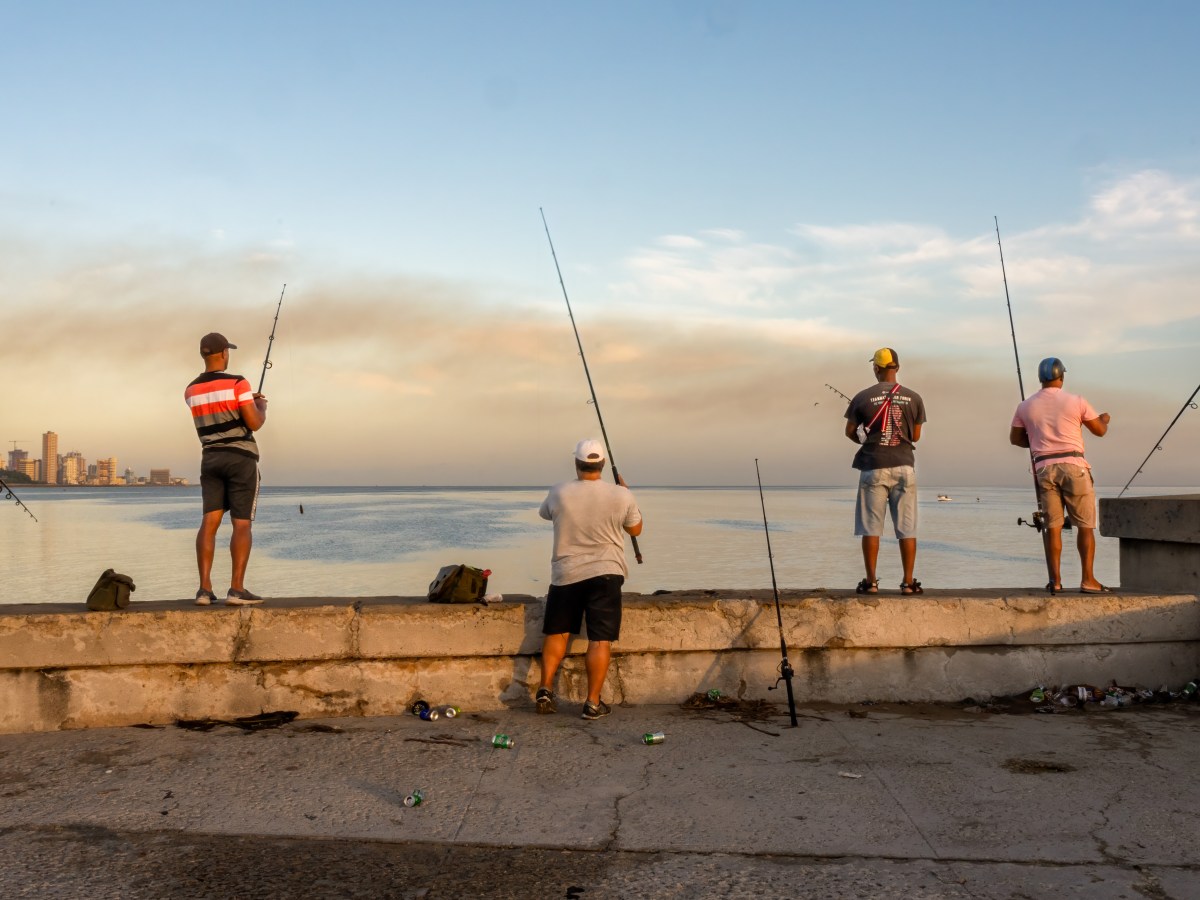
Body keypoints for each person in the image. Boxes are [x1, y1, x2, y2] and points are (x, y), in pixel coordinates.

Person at [535, 439, 643, 720]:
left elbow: (545, 514)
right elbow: (636, 530)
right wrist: (626, 494)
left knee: (557, 632)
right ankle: (592, 702)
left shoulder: (559, 491)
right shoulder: (621, 495)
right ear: (603, 464)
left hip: (566, 573)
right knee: (600, 640)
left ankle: (545, 688)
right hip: (607, 573)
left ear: (576, 463)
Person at [1010, 357, 1111, 593]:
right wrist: (1104, 419)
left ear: (1040, 379)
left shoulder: (1025, 406)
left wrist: (1037, 441)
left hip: (1044, 468)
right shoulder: (1076, 401)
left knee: (1052, 526)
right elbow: (1100, 431)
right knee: (1085, 526)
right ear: (1062, 377)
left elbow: (1015, 439)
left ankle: (1055, 581)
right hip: (1074, 465)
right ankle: (1088, 580)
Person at [184, 332, 268, 606]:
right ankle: (236, 589)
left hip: (210, 459)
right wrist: (260, 406)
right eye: (228, 351)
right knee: (241, 524)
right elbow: (254, 423)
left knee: (209, 523)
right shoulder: (238, 382)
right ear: (223, 353)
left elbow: (218, 411)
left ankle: (204, 590)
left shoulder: (191, 390)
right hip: (240, 458)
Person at [844, 348, 927, 595]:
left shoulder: (862, 397)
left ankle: (871, 582)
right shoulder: (914, 398)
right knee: (907, 527)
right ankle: (909, 583)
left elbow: (849, 431)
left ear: (876, 368)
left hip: (873, 466)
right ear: (897, 368)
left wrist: (865, 438)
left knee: (871, 527)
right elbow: (916, 436)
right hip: (904, 466)